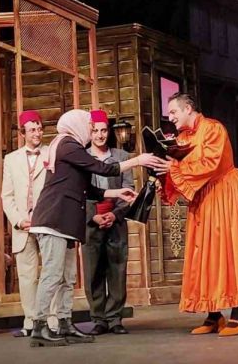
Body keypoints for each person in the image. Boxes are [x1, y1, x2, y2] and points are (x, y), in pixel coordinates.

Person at [28, 109, 166, 347]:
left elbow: (88, 189)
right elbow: (103, 169)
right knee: (52, 274)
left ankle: (64, 323)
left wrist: (117, 192)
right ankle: (39, 326)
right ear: (76, 125)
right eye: (89, 127)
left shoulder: (70, 147)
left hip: (65, 222)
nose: (91, 131)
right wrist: (138, 160)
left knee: (67, 277)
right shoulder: (68, 144)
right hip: (54, 219)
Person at [161, 93, 238, 337]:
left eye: (173, 112)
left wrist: (174, 168)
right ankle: (214, 315)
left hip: (226, 194)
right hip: (204, 198)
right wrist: (164, 170)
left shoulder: (213, 128)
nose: (170, 117)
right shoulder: (182, 138)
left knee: (229, 252)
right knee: (205, 255)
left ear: (188, 109)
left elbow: (209, 164)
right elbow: (180, 171)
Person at [2, 110, 63, 337]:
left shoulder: (51, 153)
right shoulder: (11, 159)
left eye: (39, 129)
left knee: (51, 272)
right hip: (23, 225)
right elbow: (7, 196)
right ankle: (30, 320)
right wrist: (19, 221)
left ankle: (52, 319)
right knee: (27, 276)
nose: (37, 133)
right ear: (23, 133)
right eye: (32, 130)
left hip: (47, 221)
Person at [83, 110, 134, 336]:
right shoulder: (82, 157)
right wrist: (92, 215)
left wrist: (115, 214)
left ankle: (114, 318)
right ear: (90, 132)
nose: (100, 135)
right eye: (95, 131)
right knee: (93, 271)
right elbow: (80, 191)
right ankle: (99, 318)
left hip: (115, 220)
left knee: (117, 269)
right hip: (92, 221)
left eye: (103, 130)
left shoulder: (121, 156)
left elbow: (129, 189)